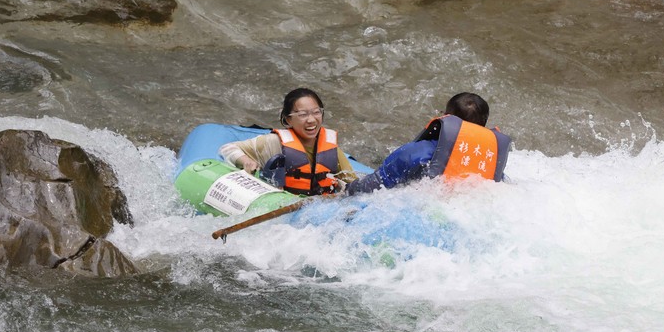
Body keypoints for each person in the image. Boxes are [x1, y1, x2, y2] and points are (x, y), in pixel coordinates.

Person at [346, 92, 511, 196]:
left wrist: (347, 189)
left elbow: (375, 183)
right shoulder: (491, 164)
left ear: (446, 118)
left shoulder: (419, 152)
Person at [219, 88, 358, 196]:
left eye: (316, 112)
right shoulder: (273, 142)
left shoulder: (331, 149)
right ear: (288, 119)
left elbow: (353, 184)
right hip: (286, 208)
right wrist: (246, 161)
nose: (311, 120)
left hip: (320, 208)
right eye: (303, 115)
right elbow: (227, 148)